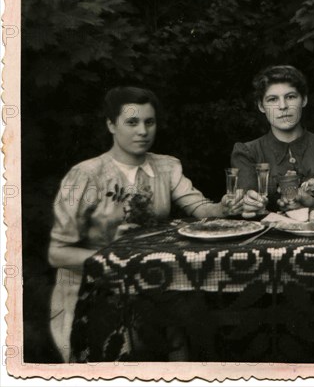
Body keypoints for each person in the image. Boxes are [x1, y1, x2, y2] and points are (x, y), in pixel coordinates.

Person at [48, 86, 242, 362]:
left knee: (193, 312)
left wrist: (223, 207)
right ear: (111, 125)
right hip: (94, 290)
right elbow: (58, 253)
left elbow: (199, 208)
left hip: (152, 282)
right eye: (132, 122)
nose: (142, 131)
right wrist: (113, 253)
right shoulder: (86, 175)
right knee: (167, 320)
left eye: (149, 122)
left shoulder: (166, 167)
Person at [231, 65, 314, 216]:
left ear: (304, 100)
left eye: (290, 97)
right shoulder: (247, 152)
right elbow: (244, 210)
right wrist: (249, 205)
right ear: (261, 106)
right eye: (273, 99)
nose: (283, 106)